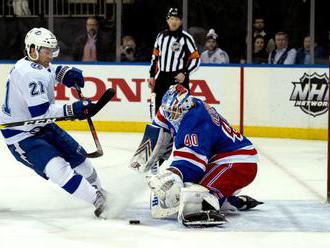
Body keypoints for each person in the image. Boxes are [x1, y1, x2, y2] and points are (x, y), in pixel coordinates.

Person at [0, 27, 109, 219]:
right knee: (57, 169)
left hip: (43, 126)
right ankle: (96, 199)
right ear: (33, 50)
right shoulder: (27, 74)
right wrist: (72, 110)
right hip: (22, 135)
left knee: (80, 159)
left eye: (51, 51)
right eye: (46, 51)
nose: (50, 55)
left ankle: (102, 192)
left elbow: (50, 70)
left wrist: (64, 73)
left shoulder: (35, 63)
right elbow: (40, 112)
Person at [145, 84, 262, 226]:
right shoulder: (169, 109)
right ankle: (234, 201)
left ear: (186, 107)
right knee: (188, 189)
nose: (172, 115)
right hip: (214, 159)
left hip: (238, 163)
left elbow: (192, 166)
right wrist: (144, 161)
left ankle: (219, 201)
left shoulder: (196, 119)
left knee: (196, 197)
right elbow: (155, 134)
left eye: (175, 111)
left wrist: (171, 176)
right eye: (169, 111)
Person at [148, 7, 200, 112]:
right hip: (162, 77)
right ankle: (161, 129)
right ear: (167, 20)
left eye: (176, 19)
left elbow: (196, 59)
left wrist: (185, 73)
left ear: (180, 21)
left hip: (178, 78)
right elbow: (155, 57)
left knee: (180, 110)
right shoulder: (161, 36)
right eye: (171, 18)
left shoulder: (186, 38)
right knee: (159, 109)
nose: (174, 22)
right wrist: (152, 76)